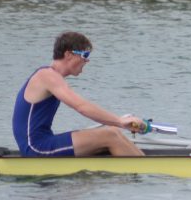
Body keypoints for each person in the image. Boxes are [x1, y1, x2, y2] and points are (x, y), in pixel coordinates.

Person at [12, 31, 145, 157]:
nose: (87, 61)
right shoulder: (47, 76)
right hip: (35, 147)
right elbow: (81, 106)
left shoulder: (52, 77)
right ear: (69, 55)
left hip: (44, 141)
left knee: (113, 132)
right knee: (111, 135)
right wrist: (120, 121)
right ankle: (146, 173)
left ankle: (143, 168)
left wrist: (117, 123)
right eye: (85, 55)